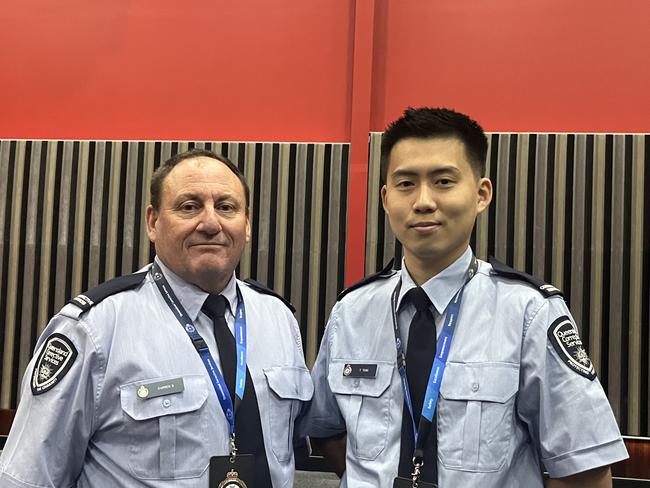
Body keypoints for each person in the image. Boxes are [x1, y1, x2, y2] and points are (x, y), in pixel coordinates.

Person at [302, 107, 628, 487]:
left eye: (443, 181)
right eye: (406, 184)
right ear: (386, 198)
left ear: (480, 194)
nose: (423, 201)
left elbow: (583, 470)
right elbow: (328, 432)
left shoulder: (529, 314)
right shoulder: (351, 311)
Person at [0, 149, 313, 487]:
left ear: (247, 224)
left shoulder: (279, 319)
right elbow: (28, 477)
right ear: (153, 222)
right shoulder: (93, 330)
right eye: (189, 206)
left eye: (226, 207)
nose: (210, 223)